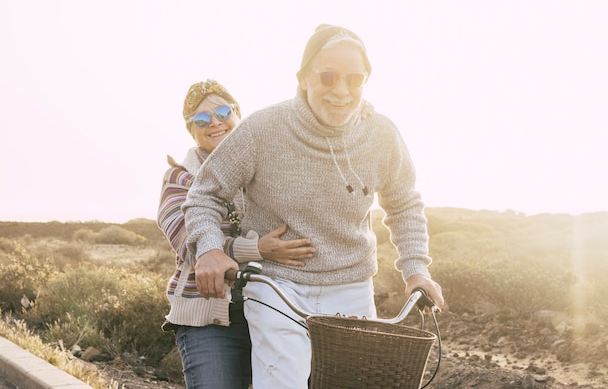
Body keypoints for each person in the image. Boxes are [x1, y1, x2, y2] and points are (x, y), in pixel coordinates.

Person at [182, 24, 445, 389]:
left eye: (354, 80)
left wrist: (416, 269)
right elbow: (204, 194)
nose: (341, 90)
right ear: (304, 77)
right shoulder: (263, 129)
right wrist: (209, 249)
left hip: (351, 284)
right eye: (328, 76)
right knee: (283, 383)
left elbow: (404, 204)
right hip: (277, 286)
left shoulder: (381, 133)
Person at [157, 78, 317, 389]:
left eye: (222, 111)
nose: (215, 122)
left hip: (278, 307)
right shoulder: (179, 178)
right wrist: (259, 248)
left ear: (238, 113)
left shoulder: (267, 165)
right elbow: (191, 244)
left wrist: (355, 114)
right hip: (212, 319)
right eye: (201, 119)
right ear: (191, 129)